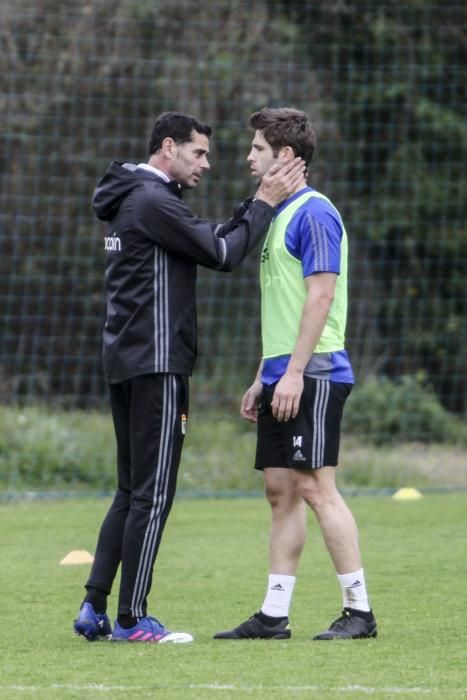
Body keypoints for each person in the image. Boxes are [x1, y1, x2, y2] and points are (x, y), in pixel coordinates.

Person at [73, 111, 305, 644]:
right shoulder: (154, 201)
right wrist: (266, 203)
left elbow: (211, 236)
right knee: (152, 496)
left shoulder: (135, 197)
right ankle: (131, 619)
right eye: (199, 153)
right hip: (157, 365)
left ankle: (94, 606)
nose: (208, 163)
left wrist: (253, 207)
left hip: (125, 361)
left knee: (129, 491)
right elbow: (224, 253)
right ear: (169, 148)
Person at [213, 107, 377, 641]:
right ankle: (274, 615)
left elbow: (321, 295)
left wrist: (296, 374)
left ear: (285, 156)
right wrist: (266, 374)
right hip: (284, 373)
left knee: (314, 486)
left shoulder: (314, 212)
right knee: (280, 490)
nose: (248, 157)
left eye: (257, 149)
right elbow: (284, 308)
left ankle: (359, 611)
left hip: (316, 372)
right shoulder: (279, 215)